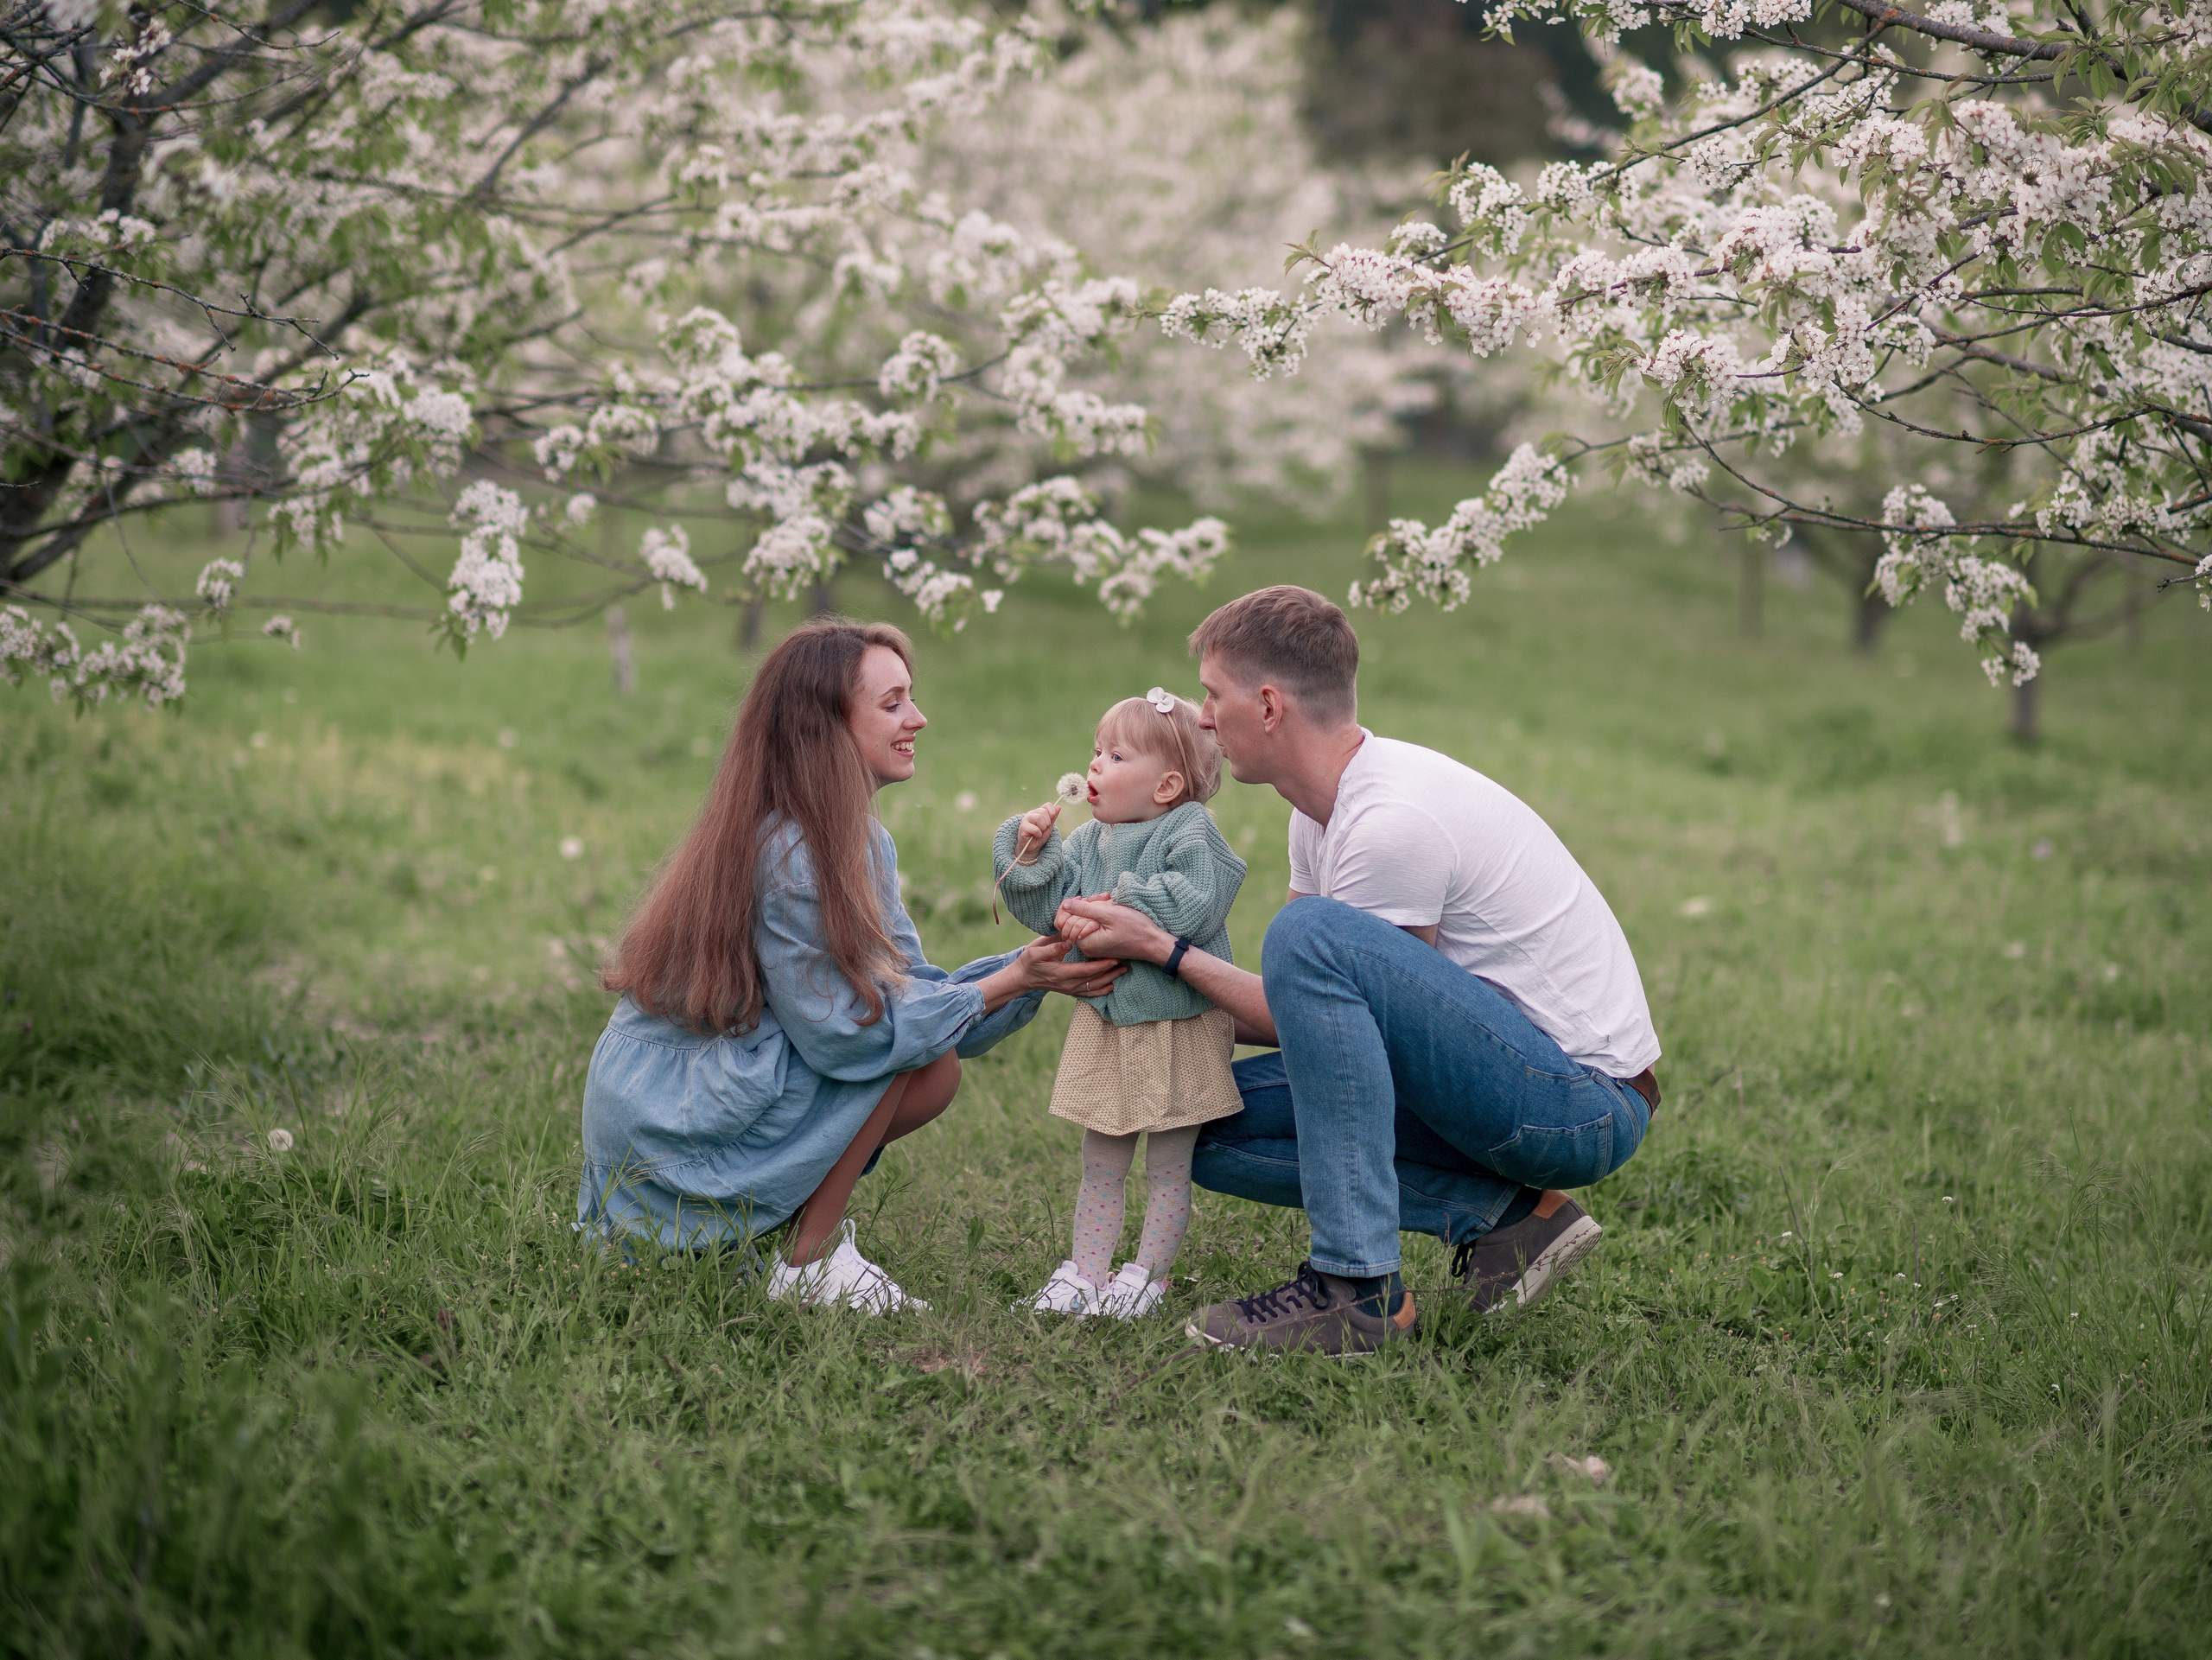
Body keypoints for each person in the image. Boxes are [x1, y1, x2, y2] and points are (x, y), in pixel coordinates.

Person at [1057, 586, 1661, 1354]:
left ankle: (1355, 1289)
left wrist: (1165, 950)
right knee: (1196, 1121)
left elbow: (1335, 1008)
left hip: (1577, 1104)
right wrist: (1117, 976)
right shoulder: (1318, 809)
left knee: (1306, 932)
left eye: (1213, 695)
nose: (1202, 717)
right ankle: (1513, 1219)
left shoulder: (1389, 822)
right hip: (1495, 1082)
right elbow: (1309, 1013)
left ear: (1269, 705)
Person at [578, 619, 1123, 1312]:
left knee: (924, 1053)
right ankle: (807, 1263)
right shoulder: (792, 853)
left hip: (712, 1088)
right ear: (824, 726)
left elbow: (912, 996)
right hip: (669, 1129)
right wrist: (1013, 981)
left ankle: (781, 1240)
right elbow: (851, 1034)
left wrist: (1032, 962)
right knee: (913, 1059)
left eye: (912, 697)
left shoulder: (860, 839)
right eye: (892, 703)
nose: (918, 718)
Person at [992, 687, 1247, 1319]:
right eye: (1095, 752)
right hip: (1109, 1023)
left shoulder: (1190, 828)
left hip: (1179, 1025)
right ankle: (1085, 1272)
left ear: (1165, 785)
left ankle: (1146, 1279)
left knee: (1167, 1165)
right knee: (1100, 1161)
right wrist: (1030, 854)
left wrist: (1118, 899)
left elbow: (1197, 900)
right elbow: (1047, 911)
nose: (1095, 766)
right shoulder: (1087, 841)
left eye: (1115, 755)